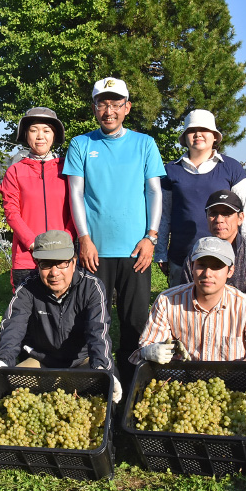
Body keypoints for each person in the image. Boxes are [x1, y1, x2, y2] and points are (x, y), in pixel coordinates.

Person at [63, 77, 165, 383]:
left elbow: (154, 192)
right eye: (103, 103)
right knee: (95, 320)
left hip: (136, 251)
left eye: (116, 103)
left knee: (135, 321)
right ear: (94, 107)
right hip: (95, 251)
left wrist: (151, 237)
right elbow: (76, 194)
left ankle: (134, 381)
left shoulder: (144, 144)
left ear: (127, 107)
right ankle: (100, 379)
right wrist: (84, 238)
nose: (109, 110)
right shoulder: (81, 144)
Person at [132, 237, 246, 408]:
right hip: (183, 385)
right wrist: (150, 350)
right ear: (191, 267)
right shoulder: (167, 302)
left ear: (230, 271)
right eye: (201, 265)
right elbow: (144, 348)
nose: (208, 273)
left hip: (231, 386)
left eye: (216, 267)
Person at [181, 190, 246, 429]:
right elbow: (184, 299)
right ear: (207, 218)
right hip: (203, 324)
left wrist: (239, 331)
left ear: (240, 218)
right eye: (214, 214)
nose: (220, 220)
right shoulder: (195, 256)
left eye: (227, 213)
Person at [0, 231, 122, 403]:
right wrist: (1, 362)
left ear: (74, 262)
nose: (54, 272)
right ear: (37, 264)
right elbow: (13, 327)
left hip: (81, 361)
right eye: (46, 264)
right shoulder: (27, 289)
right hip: (42, 362)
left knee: (106, 388)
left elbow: (98, 331)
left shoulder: (91, 287)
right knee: (6, 394)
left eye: (62, 263)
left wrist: (101, 367)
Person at [156, 109, 246, 287]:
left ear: (215, 136)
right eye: (192, 130)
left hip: (224, 260)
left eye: (204, 130)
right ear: (185, 137)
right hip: (182, 258)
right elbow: (163, 216)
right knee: (182, 311)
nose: (198, 134)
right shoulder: (170, 171)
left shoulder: (233, 169)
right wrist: (161, 252)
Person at [0, 107, 75, 291]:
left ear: (54, 135)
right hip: (27, 256)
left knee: (62, 314)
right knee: (26, 313)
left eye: (46, 130)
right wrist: (33, 243)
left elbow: (75, 209)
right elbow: (11, 212)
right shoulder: (15, 171)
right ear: (26, 135)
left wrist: (64, 241)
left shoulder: (67, 169)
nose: (40, 136)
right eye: (34, 130)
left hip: (61, 255)